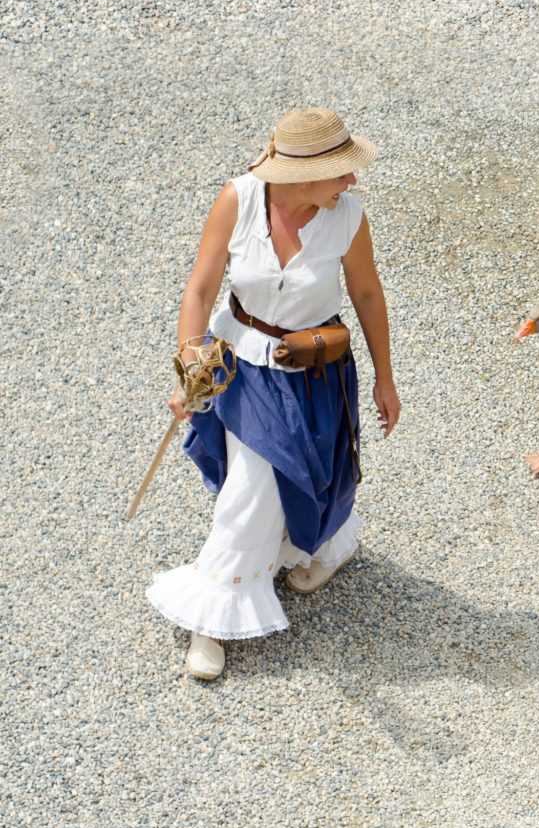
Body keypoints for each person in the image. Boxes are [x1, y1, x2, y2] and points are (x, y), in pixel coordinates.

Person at [148, 107, 400, 680]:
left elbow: (366, 294)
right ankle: (212, 614)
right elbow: (201, 289)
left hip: (312, 369)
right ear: (300, 176)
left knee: (310, 470)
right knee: (254, 482)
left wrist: (385, 378)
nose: (353, 181)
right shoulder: (237, 200)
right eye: (341, 171)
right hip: (237, 362)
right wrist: (191, 363)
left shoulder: (348, 216)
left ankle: (326, 546)